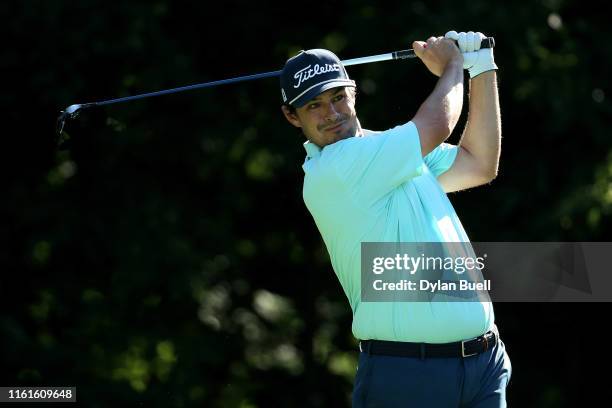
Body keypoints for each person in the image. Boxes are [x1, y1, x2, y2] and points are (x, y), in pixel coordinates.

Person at [280, 31, 511, 408]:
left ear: (353, 92)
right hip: (407, 373)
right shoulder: (335, 170)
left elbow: (479, 163)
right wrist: (453, 65)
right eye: (314, 106)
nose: (332, 113)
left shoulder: (392, 152)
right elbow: (437, 124)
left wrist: (482, 66)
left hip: (484, 363)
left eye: (338, 97)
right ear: (292, 116)